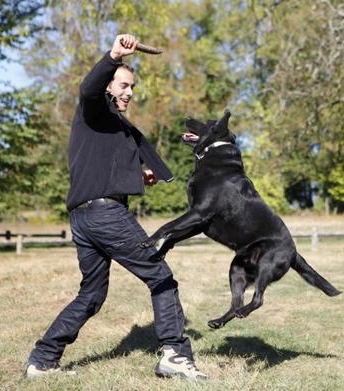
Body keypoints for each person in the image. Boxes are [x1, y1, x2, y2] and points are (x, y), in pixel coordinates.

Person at [26, 34, 207, 380]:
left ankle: (42, 360)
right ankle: (175, 354)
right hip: (105, 215)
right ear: (108, 87)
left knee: (92, 293)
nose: (129, 92)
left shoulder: (110, 127)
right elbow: (88, 89)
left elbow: (105, 165)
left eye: (132, 87)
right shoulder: (93, 109)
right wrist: (113, 56)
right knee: (162, 278)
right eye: (123, 85)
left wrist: (140, 175)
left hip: (84, 217)